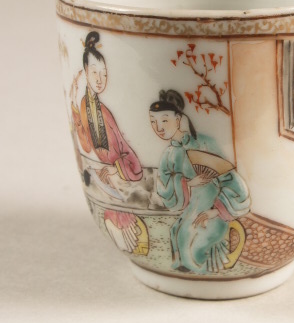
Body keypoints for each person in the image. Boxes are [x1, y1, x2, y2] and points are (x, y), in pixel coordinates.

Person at [150, 89, 250, 275]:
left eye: (164, 120)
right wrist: (187, 183)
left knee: (191, 244)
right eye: (153, 122)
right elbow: (164, 187)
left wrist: (215, 211)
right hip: (190, 211)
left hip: (211, 211)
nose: (159, 127)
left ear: (178, 119)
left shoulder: (204, 143)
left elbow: (231, 181)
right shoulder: (169, 154)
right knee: (178, 233)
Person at [71, 31, 142, 185]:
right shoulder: (83, 105)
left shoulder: (104, 112)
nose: (100, 80)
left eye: (104, 74)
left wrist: (115, 168)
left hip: (117, 174)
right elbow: (86, 147)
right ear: (85, 71)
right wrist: (74, 106)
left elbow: (129, 156)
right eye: (94, 72)